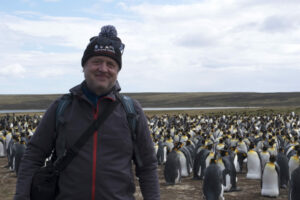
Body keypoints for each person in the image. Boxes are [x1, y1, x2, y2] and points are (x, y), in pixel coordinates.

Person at [14, 25, 160, 200]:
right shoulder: (61, 107)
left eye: (111, 64)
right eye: (96, 62)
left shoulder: (131, 111)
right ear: (84, 66)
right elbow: (33, 156)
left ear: (117, 71)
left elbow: (148, 167)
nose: (103, 69)